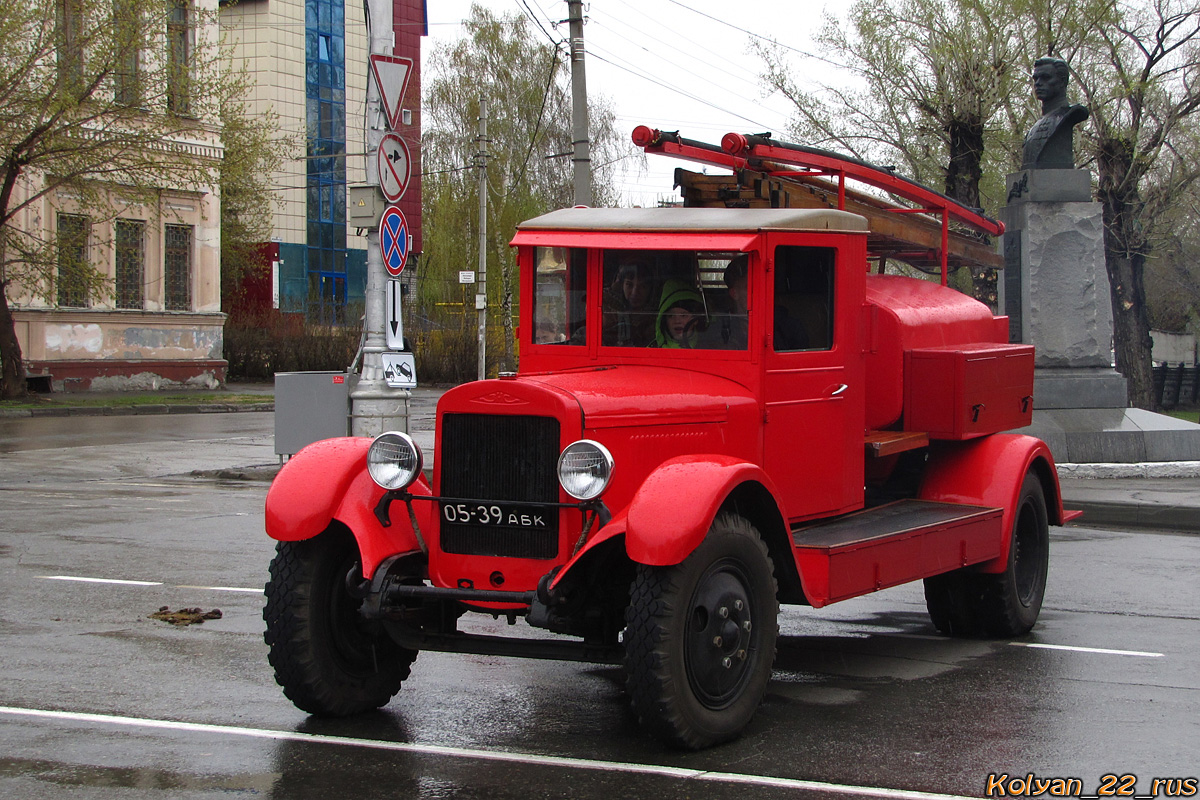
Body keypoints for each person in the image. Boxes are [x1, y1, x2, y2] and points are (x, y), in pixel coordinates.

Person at [1021, 57, 1089, 170]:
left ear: (1062, 81)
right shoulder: (1035, 127)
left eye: (1046, 78)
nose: (1038, 83)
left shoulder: (1069, 115)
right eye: (1036, 79)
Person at [600, 256, 658, 346]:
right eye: (629, 284)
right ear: (621, 285)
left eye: (642, 286)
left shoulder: (659, 321)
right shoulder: (606, 313)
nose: (635, 292)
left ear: (651, 289)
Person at [654, 280, 706, 348]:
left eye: (683, 315)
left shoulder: (709, 347)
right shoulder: (651, 350)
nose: (677, 321)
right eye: (671, 316)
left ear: (695, 320)